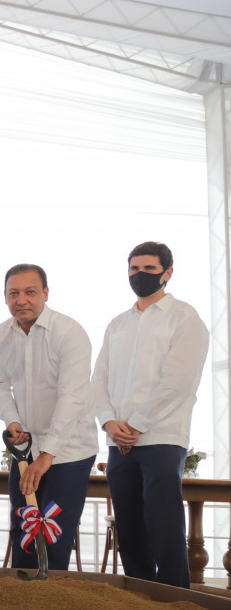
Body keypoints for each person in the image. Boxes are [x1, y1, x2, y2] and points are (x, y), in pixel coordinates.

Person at [91, 241, 209, 588]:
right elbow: (99, 380)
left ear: (167, 273)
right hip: (118, 442)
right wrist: (109, 422)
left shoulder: (185, 318)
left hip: (161, 439)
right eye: (134, 269)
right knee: (129, 531)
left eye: (149, 269)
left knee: (164, 528)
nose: (139, 275)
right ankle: (138, 602)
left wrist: (135, 425)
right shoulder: (117, 324)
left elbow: (178, 383)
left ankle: (175, 604)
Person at [0, 264, 98, 571]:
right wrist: (12, 422)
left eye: (30, 292)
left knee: (54, 537)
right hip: (25, 450)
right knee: (23, 531)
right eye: (14, 293)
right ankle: (21, 598)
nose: (21, 300)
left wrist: (47, 454)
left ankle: (52, 600)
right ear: (5, 296)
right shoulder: (0, 335)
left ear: (46, 294)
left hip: (68, 452)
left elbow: (71, 397)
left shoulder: (69, 332)